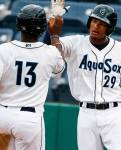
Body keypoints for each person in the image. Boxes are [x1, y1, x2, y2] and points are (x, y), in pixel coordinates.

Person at [44, 4, 121, 150]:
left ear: (110, 28)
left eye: (101, 24)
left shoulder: (120, 49)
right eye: (94, 21)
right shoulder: (75, 42)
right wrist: (52, 28)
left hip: (113, 114)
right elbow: (48, 49)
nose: (96, 26)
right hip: (86, 113)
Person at [0, 4, 65, 150]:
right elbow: (60, 67)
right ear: (42, 28)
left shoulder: (3, 50)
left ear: (18, 23)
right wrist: (54, 34)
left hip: (2, 115)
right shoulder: (50, 53)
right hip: (29, 119)